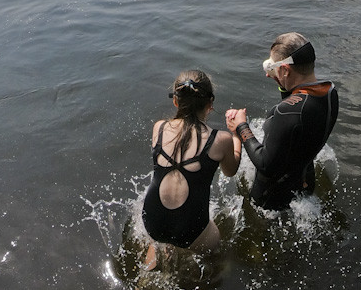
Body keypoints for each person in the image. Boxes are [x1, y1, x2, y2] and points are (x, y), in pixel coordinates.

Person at [225, 32, 338, 211]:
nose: (268, 74)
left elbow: (265, 164)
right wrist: (281, 81)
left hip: (270, 198)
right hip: (305, 181)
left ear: (285, 70)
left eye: (273, 68)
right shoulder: (329, 92)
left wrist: (241, 127)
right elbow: (297, 109)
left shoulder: (286, 112)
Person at [142, 71, 241, 254]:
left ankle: (154, 257)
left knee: (161, 236)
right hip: (191, 229)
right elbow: (230, 170)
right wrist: (236, 134)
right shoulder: (220, 139)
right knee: (216, 251)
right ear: (210, 104)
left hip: (152, 220)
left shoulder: (160, 128)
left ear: (175, 101)